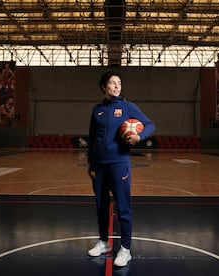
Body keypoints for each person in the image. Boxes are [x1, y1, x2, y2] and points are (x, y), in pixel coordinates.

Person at [87, 71, 155, 267]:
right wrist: (91, 164)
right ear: (103, 87)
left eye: (119, 83)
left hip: (119, 164)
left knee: (123, 207)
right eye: (112, 83)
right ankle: (103, 242)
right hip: (99, 166)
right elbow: (92, 139)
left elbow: (150, 125)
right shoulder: (97, 110)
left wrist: (138, 138)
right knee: (101, 207)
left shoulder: (128, 107)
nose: (117, 86)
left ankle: (125, 249)